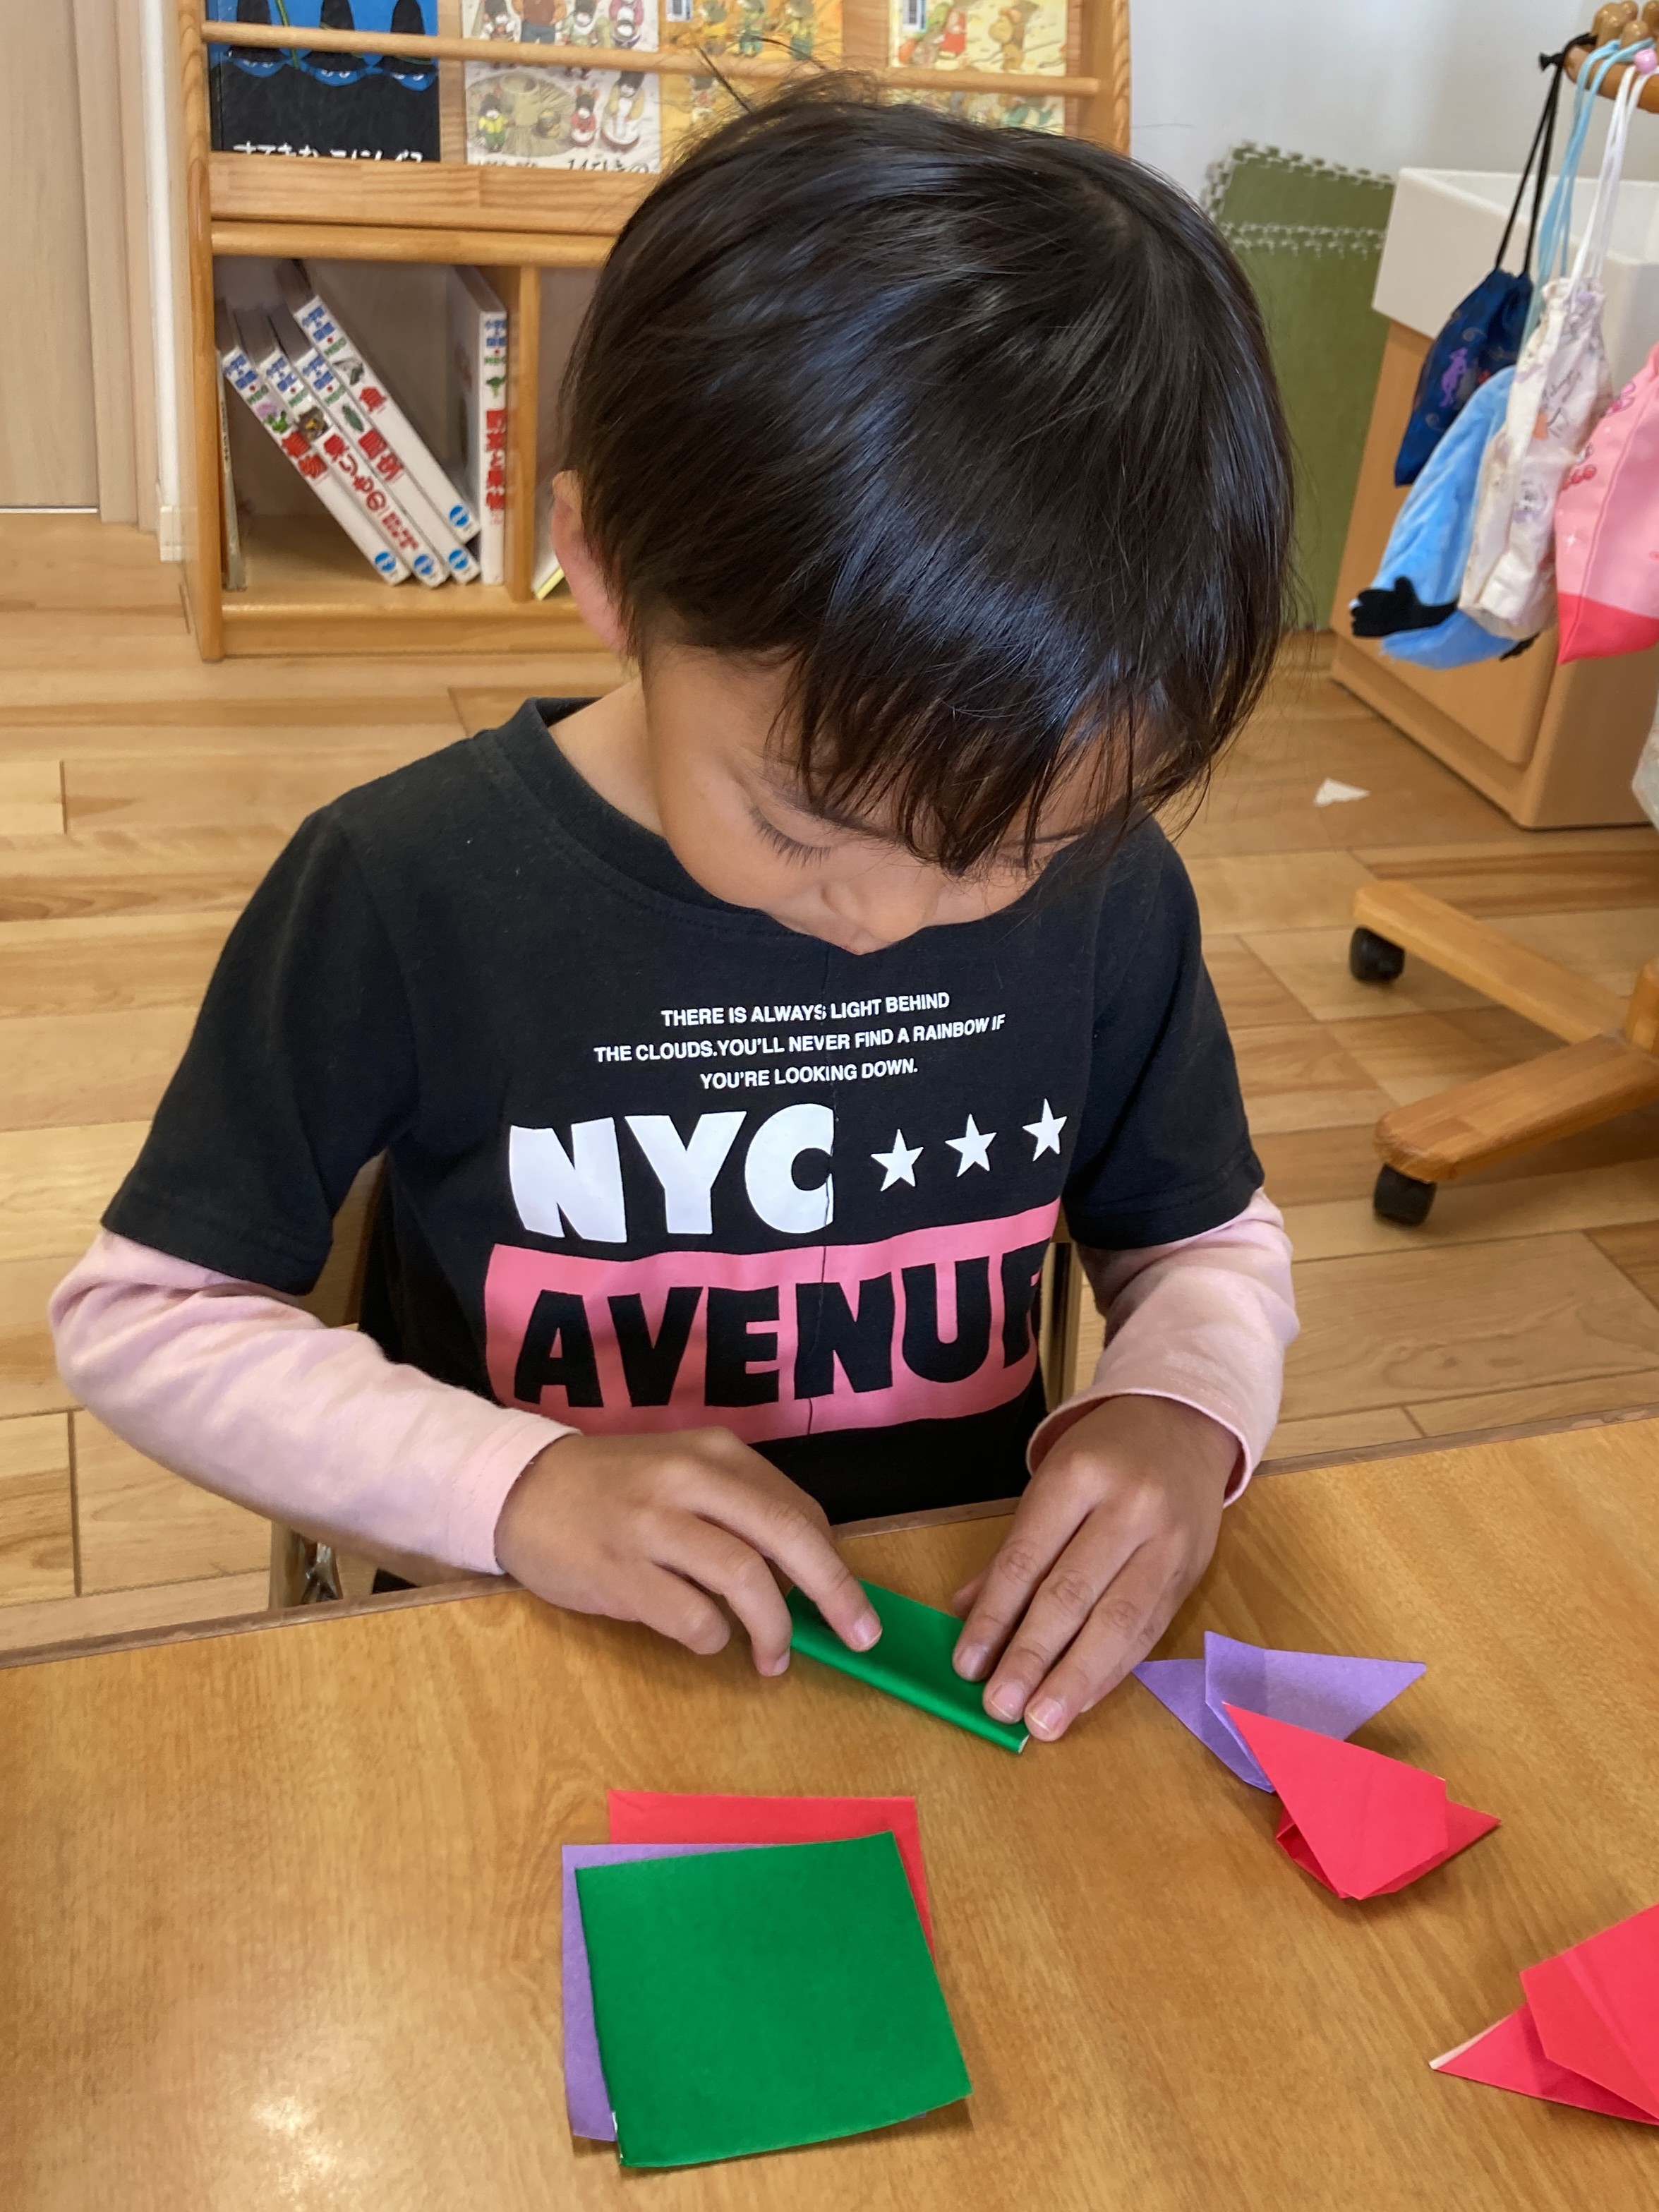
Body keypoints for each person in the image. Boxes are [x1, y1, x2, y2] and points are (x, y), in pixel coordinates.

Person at [52, 85, 1298, 1743]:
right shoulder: (407, 885)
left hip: (944, 1643)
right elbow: (146, 1318)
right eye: (805, 819)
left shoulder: (1111, 885)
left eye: (1008, 849)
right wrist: (515, 1483)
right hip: (531, 1653)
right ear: (605, 567)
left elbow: (1201, 1240)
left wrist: (1183, 1410)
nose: (889, 915)